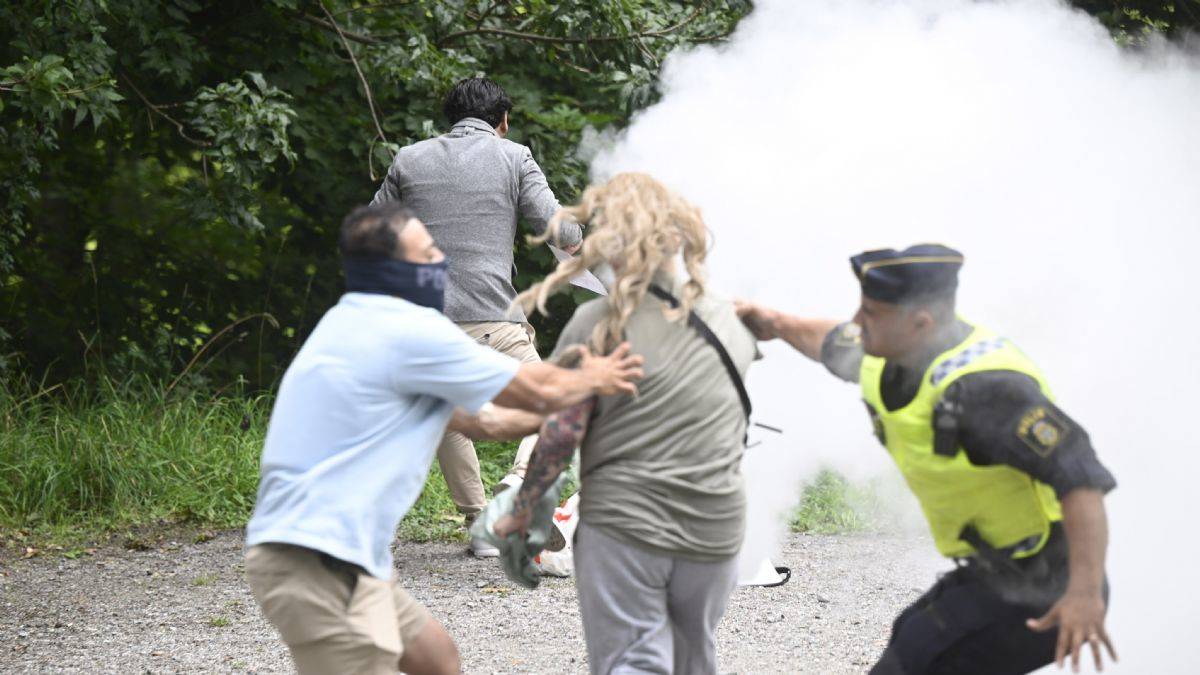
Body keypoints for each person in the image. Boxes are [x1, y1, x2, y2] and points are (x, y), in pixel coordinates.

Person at [243, 202, 643, 675]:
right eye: (428, 252)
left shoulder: (354, 324)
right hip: (317, 561)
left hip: (347, 557)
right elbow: (535, 385)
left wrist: (564, 417)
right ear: (392, 270)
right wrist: (598, 375)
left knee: (436, 659)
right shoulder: (405, 331)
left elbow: (485, 422)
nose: (441, 261)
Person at [735, 244, 1118, 675]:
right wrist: (774, 322)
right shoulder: (891, 351)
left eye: (871, 313)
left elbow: (1082, 478)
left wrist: (1085, 596)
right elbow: (828, 339)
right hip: (994, 572)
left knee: (915, 663)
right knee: (911, 638)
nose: (858, 323)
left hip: (1049, 586)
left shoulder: (987, 389)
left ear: (921, 322)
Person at [492, 173, 758, 674]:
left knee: (633, 660)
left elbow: (560, 435)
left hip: (625, 529)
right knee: (691, 657)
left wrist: (524, 513)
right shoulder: (729, 320)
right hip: (716, 529)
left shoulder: (598, 324)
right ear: (678, 238)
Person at [371, 77, 578, 554]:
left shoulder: (409, 159)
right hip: (493, 322)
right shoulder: (514, 156)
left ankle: (479, 522)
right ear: (502, 122)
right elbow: (560, 230)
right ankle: (522, 482)